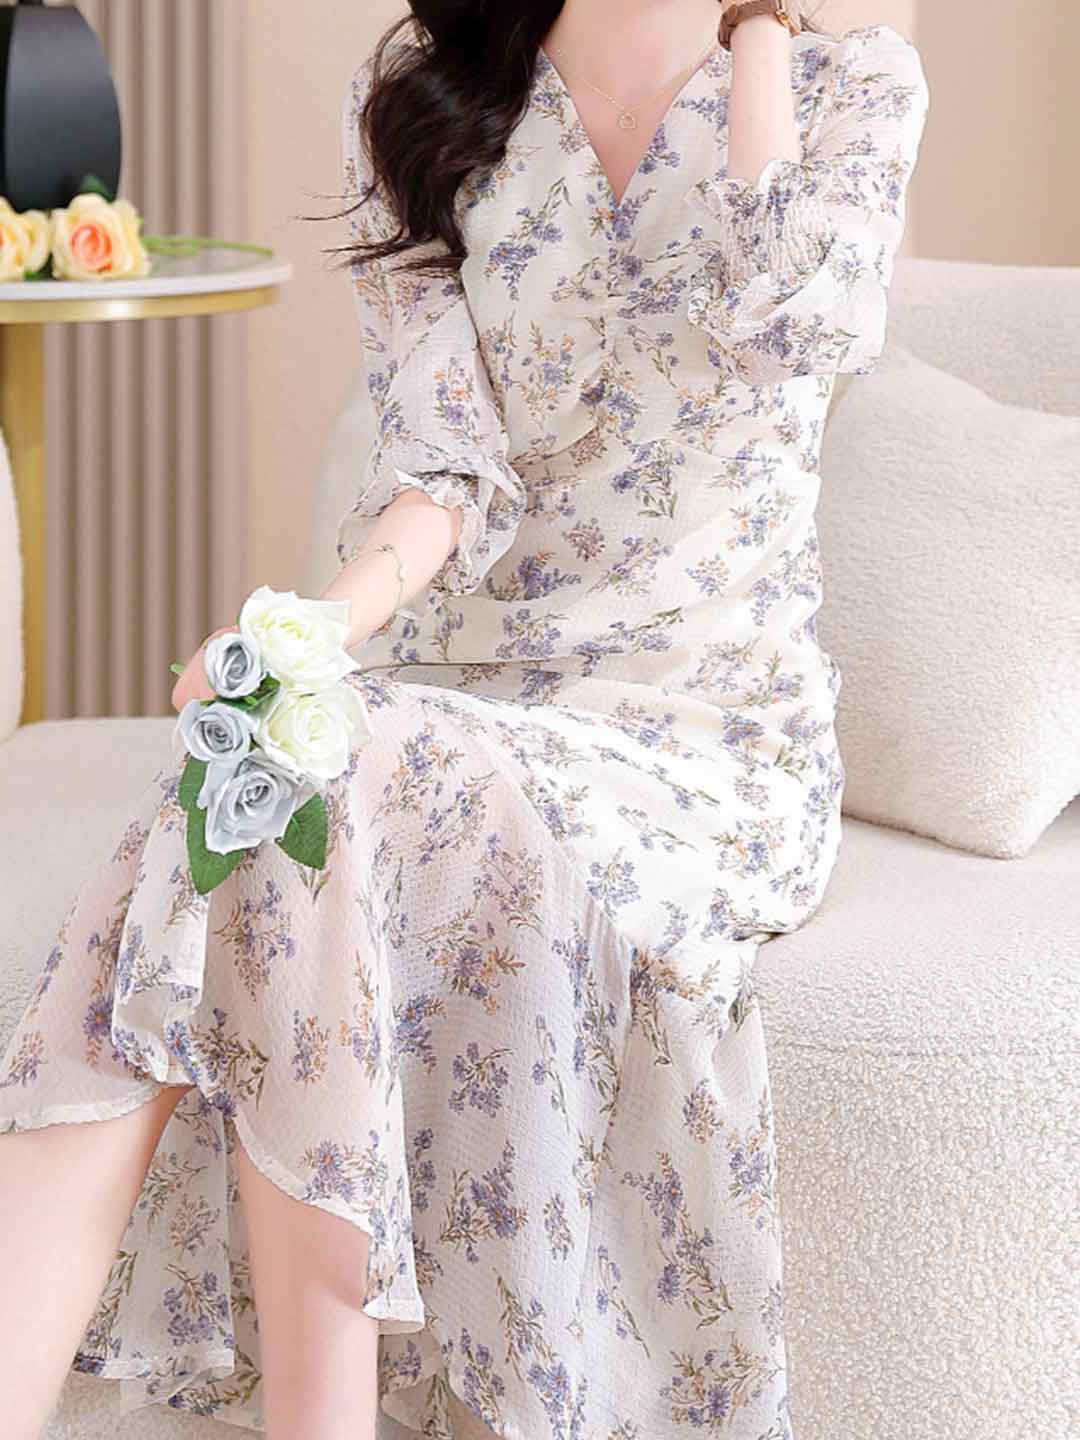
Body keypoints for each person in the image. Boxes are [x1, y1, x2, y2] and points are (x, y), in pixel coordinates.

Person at [0, 1, 929, 1436]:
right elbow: (445, 463)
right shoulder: (435, 94)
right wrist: (313, 632)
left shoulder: (844, 78)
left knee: (327, 779)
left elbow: (794, 315)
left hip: (704, 736)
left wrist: (755, 34)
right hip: (467, 693)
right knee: (260, 770)